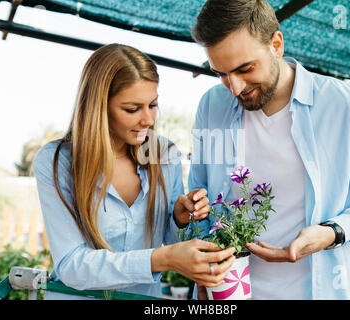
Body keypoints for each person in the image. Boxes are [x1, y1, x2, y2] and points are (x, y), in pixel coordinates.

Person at [188, 0, 350, 299]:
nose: (235, 87)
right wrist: (203, 268)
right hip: (225, 295)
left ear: (276, 44)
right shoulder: (211, 104)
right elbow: (200, 192)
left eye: (245, 68)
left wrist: (333, 232)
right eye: (221, 73)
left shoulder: (349, 105)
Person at [33, 44, 236, 300]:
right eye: (132, 109)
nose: (148, 120)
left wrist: (179, 217)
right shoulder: (57, 162)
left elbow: (174, 241)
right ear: (99, 106)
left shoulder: (163, 154)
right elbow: (72, 266)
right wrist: (160, 258)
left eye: (152, 105)